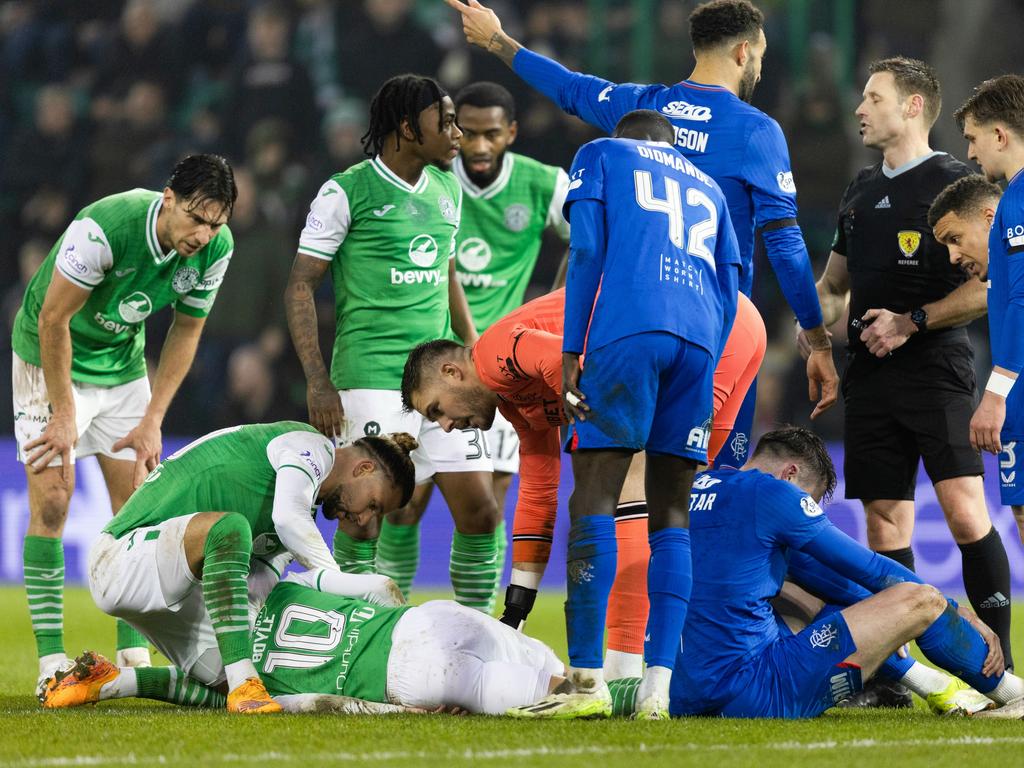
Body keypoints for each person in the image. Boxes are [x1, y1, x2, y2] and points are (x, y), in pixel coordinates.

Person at [444, 0, 838, 466]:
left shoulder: (645, 106)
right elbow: (786, 245)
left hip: (631, 322)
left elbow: (571, 88)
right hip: (718, 332)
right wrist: (817, 339)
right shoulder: (757, 131)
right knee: (702, 483)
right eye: (761, 57)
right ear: (743, 52)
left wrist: (499, 42)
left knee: (620, 484)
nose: (759, 67)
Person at [509, 108, 740, 719]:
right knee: (670, 512)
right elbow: (732, 279)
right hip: (698, 346)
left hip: (628, 331)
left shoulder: (602, 154)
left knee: (595, 499)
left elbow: (585, 248)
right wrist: (705, 352)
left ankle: (586, 685)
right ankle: (656, 690)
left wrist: (570, 349)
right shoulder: (708, 185)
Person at [804, 58, 1013, 697]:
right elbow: (836, 285)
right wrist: (815, 332)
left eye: (874, 97)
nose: (860, 109)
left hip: (938, 370)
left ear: (913, 106)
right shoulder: (860, 190)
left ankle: (995, 672)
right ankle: (901, 677)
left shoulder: (959, 183)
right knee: (884, 524)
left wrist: (912, 321)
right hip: (869, 377)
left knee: (962, 511)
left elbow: (989, 289)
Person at [11, 154, 237, 693]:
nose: (203, 234)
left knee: (136, 511)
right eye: (196, 218)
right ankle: (50, 662)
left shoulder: (216, 252)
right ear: (168, 199)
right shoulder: (105, 227)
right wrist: (64, 413)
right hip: (48, 361)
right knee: (54, 501)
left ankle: (131, 649)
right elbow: (52, 318)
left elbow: (185, 331)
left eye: (216, 224)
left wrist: (154, 418)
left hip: (122, 371)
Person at [284, 74, 504, 613]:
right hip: (371, 378)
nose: (456, 133)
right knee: (367, 518)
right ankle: (360, 637)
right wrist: (318, 381)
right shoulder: (345, 191)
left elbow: (446, 273)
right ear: (407, 127)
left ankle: (477, 633)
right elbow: (300, 284)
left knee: (480, 511)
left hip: (443, 382)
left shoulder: (447, 188)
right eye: (445, 121)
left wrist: (472, 347)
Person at [41, 423, 419, 714]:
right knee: (230, 529)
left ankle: (109, 681)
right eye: (373, 503)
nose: (364, 518)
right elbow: (289, 519)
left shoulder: (292, 524)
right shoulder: (310, 445)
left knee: (250, 670)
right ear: (363, 467)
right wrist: (344, 581)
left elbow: (254, 595)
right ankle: (244, 686)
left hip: (178, 584)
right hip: (121, 559)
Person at [660, 427, 1024, 718]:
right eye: (811, 501)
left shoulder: (693, 488)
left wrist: (888, 622)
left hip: (679, 691)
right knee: (922, 599)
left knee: (826, 594)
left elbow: (836, 582)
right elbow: (872, 569)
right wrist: (955, 609)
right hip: (754, 690)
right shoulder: (774, 493)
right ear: (790, 474)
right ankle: (1012, 692)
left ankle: (931, 684)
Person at [375, 80, 571, 604]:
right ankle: (391, 619)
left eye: (492, 134)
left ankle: (478, 628)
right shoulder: (435, 180)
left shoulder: (544, 183)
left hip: (511, 369)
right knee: (405, 501)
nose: (480, 146)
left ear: (511, 132)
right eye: (470, 132)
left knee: (488, 507)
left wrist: (552, 311)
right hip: (435, 366)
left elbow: (591, 239)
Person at [42, 568, 565, 716]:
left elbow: (323, 702)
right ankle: (624, 687)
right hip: (427, 620)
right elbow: (379, 587)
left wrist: (116, 683)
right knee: (557, 668)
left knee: (545, 696)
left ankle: (587, 692)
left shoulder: (242, 679)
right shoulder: (284, 584)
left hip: (403, 677)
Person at [951, 75, 1024, 540]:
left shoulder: (1017, 202)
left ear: (1000, 134)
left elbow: (1022, 298)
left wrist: (996, 394)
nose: (972, 154)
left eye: (974, 139)